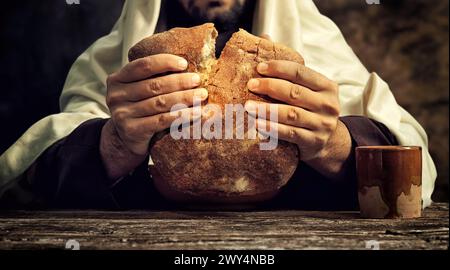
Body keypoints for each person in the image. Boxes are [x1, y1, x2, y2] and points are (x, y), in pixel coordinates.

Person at [0, 0, 436, 210]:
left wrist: (335, 144)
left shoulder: (317, 47)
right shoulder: (110, 64)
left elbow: (413, 174)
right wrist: (112, 144)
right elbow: (24, 183)